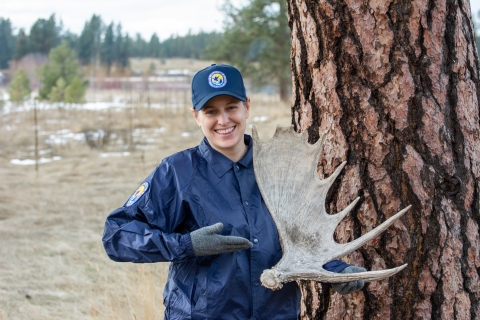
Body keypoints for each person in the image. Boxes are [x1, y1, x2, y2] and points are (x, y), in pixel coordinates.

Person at [102, 64, 365, 319]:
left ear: (247, 107)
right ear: (196, 116)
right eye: (211, 112)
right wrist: (185, 245)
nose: (223, 120)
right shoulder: (178, 172)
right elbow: (117, 235)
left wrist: (334, 271)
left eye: (231, 108)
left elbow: (300, 239)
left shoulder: (278, 169)